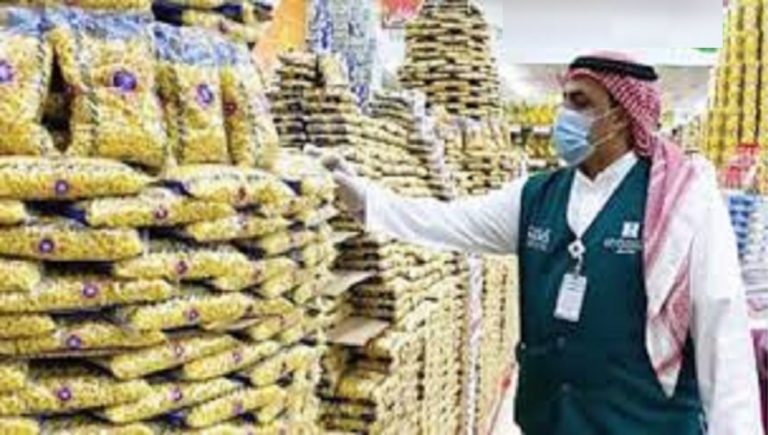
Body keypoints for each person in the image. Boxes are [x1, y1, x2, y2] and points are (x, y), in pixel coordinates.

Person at [313, 53, 763, 434]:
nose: (563, 116)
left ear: (621, 116)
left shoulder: (680, 203)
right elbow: (450, 221)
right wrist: (365, 200)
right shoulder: (538, 194)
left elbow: (722, 337)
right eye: (564, 101)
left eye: (580, 103)